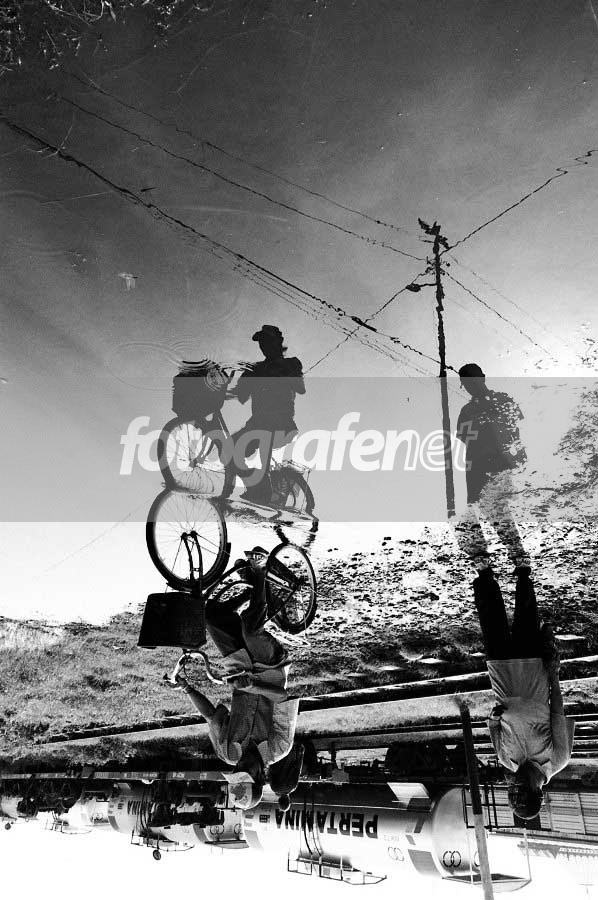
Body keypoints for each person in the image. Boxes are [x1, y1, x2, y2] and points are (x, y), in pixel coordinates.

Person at [174, 548, 299, 811]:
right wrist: (254, 686)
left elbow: (212, 716)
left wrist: (186, 687)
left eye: (236, 772)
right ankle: (260, 571)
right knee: (251, 630)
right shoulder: (279, 747)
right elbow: (282, 698)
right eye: (246, 771)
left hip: (239, 668)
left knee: (211, 617)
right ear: (261, 777)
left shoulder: (228, 753)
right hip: (270, 668)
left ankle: (255, 593)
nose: (241, 765)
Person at [474, 563, 575, 821]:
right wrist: (553, 672)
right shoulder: (558, 759)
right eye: (522, 787)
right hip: (532, 674)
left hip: (502, 677)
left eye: (513, 788)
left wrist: (495, 718)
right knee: (526, 620)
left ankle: (484, 577)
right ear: (537, 791)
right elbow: (557, 712)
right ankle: (522, 576)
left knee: (491, 623)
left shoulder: (507, 760)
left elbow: (494, 727)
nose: (515, 781)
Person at [455, 362, 528, 572]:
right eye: (466, 383)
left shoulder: (503, 400)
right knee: (479, 508)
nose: (470, 386)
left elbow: (517, 428)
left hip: (499, 462)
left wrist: (519, 452)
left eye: (472, 380)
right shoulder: (467, 411)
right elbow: (464, 437)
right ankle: (484, 561)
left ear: (483, 378)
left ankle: (518, 557)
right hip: (477, 464)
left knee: (498, 508)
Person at [228, 325, 305, 503]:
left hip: (281, 423)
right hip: (257, 424)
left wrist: (277, 373)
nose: (263, 346)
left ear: (278, 343)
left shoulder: (291, 363)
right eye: (261, 343)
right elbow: (241, 395)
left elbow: (300, 388)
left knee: (260, 432)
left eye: (267, 341)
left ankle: (263, 488)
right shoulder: (256, 369)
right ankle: (257, 486)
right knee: (229, 448)